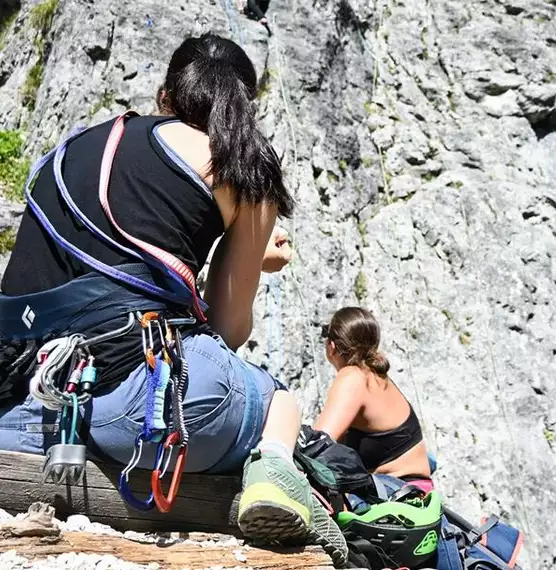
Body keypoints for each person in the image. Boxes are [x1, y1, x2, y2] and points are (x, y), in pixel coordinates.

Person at [0, 33, 345, 564]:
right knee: (281, 403)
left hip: (26, 401)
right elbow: (227, 329)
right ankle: (274, 477)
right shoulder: (242, 167)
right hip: (144, 408)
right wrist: (253, 263)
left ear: (165, 96)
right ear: (243, 107)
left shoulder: (72, 147)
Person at [314, 307, 433, 492]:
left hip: (396, 494)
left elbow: (317, 442)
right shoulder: (378, 377)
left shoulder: (353, 377)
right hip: (417, 491)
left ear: (332, 346)